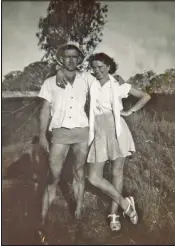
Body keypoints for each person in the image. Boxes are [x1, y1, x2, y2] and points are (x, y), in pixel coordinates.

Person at [86, 53, 151, 231]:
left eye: (100, 67)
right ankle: (126, 204)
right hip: (98, 131)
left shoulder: (119, 85)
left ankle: (114, 214)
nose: (97, 71)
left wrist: (130, 112)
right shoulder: (91, 84)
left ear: (108, 66)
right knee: (93, 177)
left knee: (117, 172)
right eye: (94, 67)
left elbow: (145, 96)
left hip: (117, 130)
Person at [38, 42, 95, 243]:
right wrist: (42, 135)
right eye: (67, 57)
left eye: (74, 57)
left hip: (81, 132)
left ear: (79, 59)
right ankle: (42, 221)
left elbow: (106, 79)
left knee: (79, 173)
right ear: (61, 59)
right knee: (53, 175)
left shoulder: (87, 79)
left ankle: (78, 213)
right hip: (60, 133)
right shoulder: (50, 82)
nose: (71, 60)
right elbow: (45, 110)